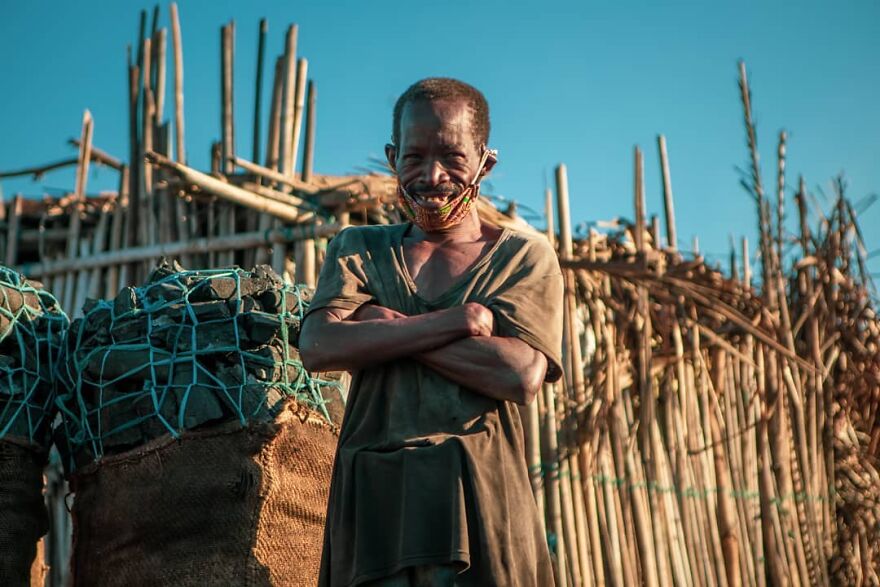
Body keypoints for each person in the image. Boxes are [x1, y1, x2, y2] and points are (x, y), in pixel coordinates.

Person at [300, 78, 563, 587]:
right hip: (375, 502)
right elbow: (317, 346)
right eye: (414, 157)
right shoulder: (360, 248)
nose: (432, 175)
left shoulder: (524, 257)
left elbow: (519, 373)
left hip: (480, 500)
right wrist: (455, 322)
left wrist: (381, 326)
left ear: (485, 161)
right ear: (392, 157)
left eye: (452, 156)